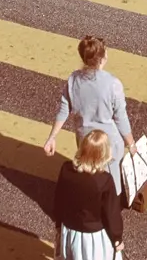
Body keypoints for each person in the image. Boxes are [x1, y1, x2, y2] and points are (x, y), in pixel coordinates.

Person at [44, 35, 136, 198]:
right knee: (110, 184)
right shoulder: (113, 84)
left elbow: (64, 110)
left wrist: (52, 137)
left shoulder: (73, 80)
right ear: (103, 57)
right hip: (108, 144)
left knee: (89, 177)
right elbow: (121, 118)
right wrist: (131, 143)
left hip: (85, 141)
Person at [53, 130, 125, 260]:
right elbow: (111, 215)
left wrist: (59, 224)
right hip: (93, 235)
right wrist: (118, 239)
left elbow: (59, 200)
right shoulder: (104, 181)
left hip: (70, 229)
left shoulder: (66, 170)